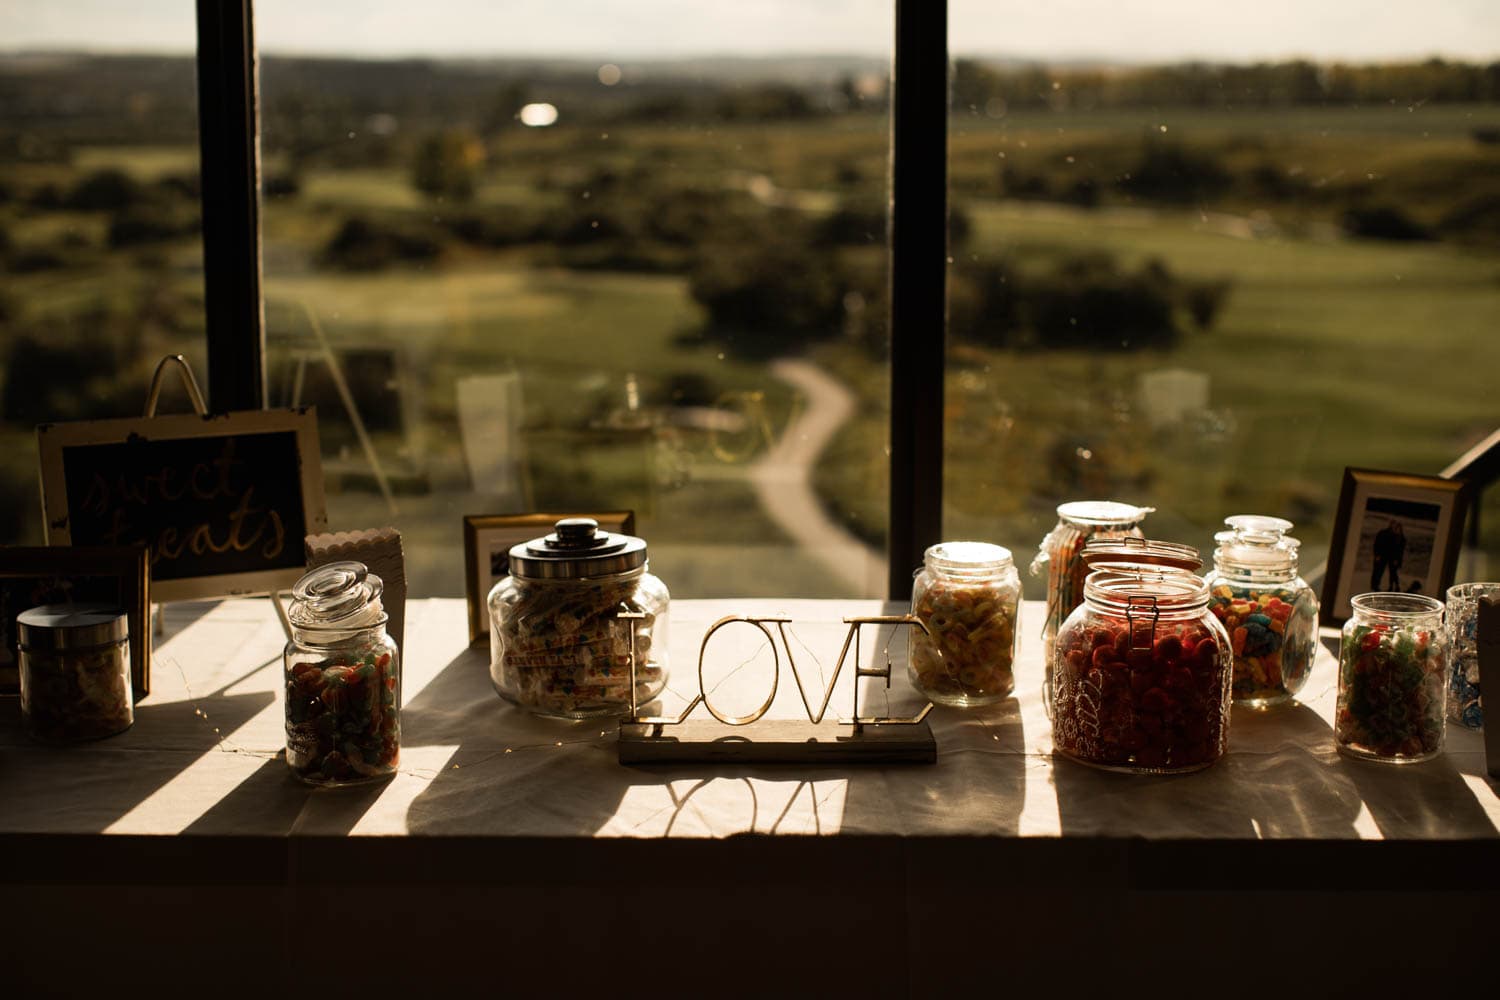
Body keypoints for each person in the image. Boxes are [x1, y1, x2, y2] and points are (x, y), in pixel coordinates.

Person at [1371, 519, 1406, 592]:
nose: (1394, 527)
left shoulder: (1399, 537)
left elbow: (1398, 550)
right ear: (1390, 525)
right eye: (1394, 525)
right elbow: (1377, 544)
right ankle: (1375, 585)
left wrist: (1396, 559)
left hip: (1390, 558)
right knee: (1378, 571)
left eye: (1396, 526)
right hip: (1382, 556)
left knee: (1389, 572)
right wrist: (1377, 554)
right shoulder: (1383, 533)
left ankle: (1394, 587)